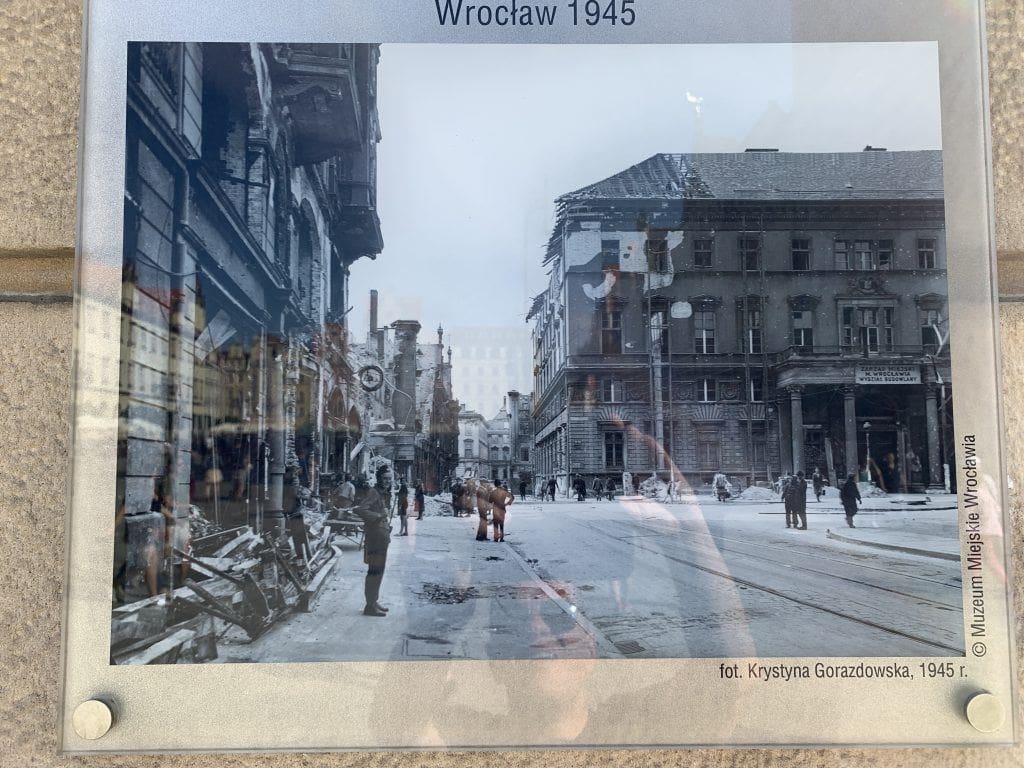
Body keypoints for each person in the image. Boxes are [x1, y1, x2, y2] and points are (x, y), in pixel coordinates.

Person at [351, 474, 392, 616]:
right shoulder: (374, 492)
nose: (388, 481)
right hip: (375, 537)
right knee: (374, 571)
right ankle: (369, 606)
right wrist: (379, 516)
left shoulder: (382, 493)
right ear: (379, 479)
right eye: (385, 478)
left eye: (389, 478)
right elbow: (362, 509)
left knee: (379, 570)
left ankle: (373, 601)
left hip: (381, 537)